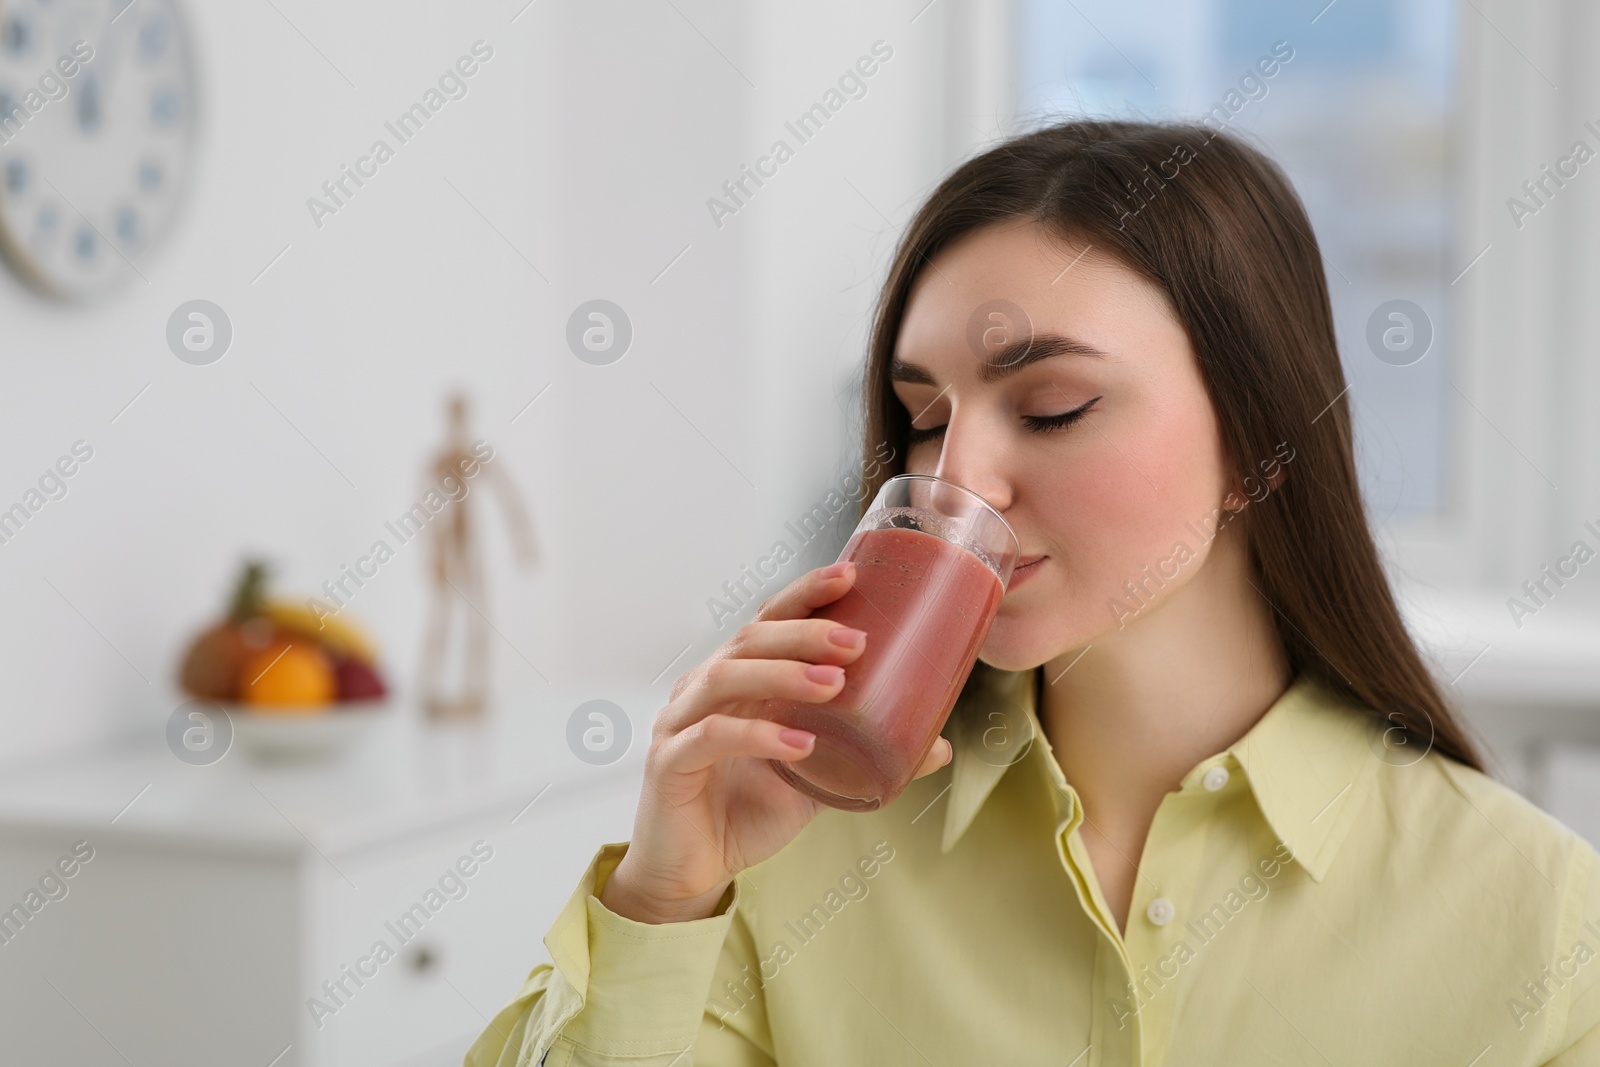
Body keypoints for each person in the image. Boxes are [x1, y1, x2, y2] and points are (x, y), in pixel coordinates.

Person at [464, 120, 1600, 1065]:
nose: (953, 479)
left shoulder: (1537, 914)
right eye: (921, 419)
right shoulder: (785, 850)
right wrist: (666, 900)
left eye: (1051, 405)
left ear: (1260, 440)